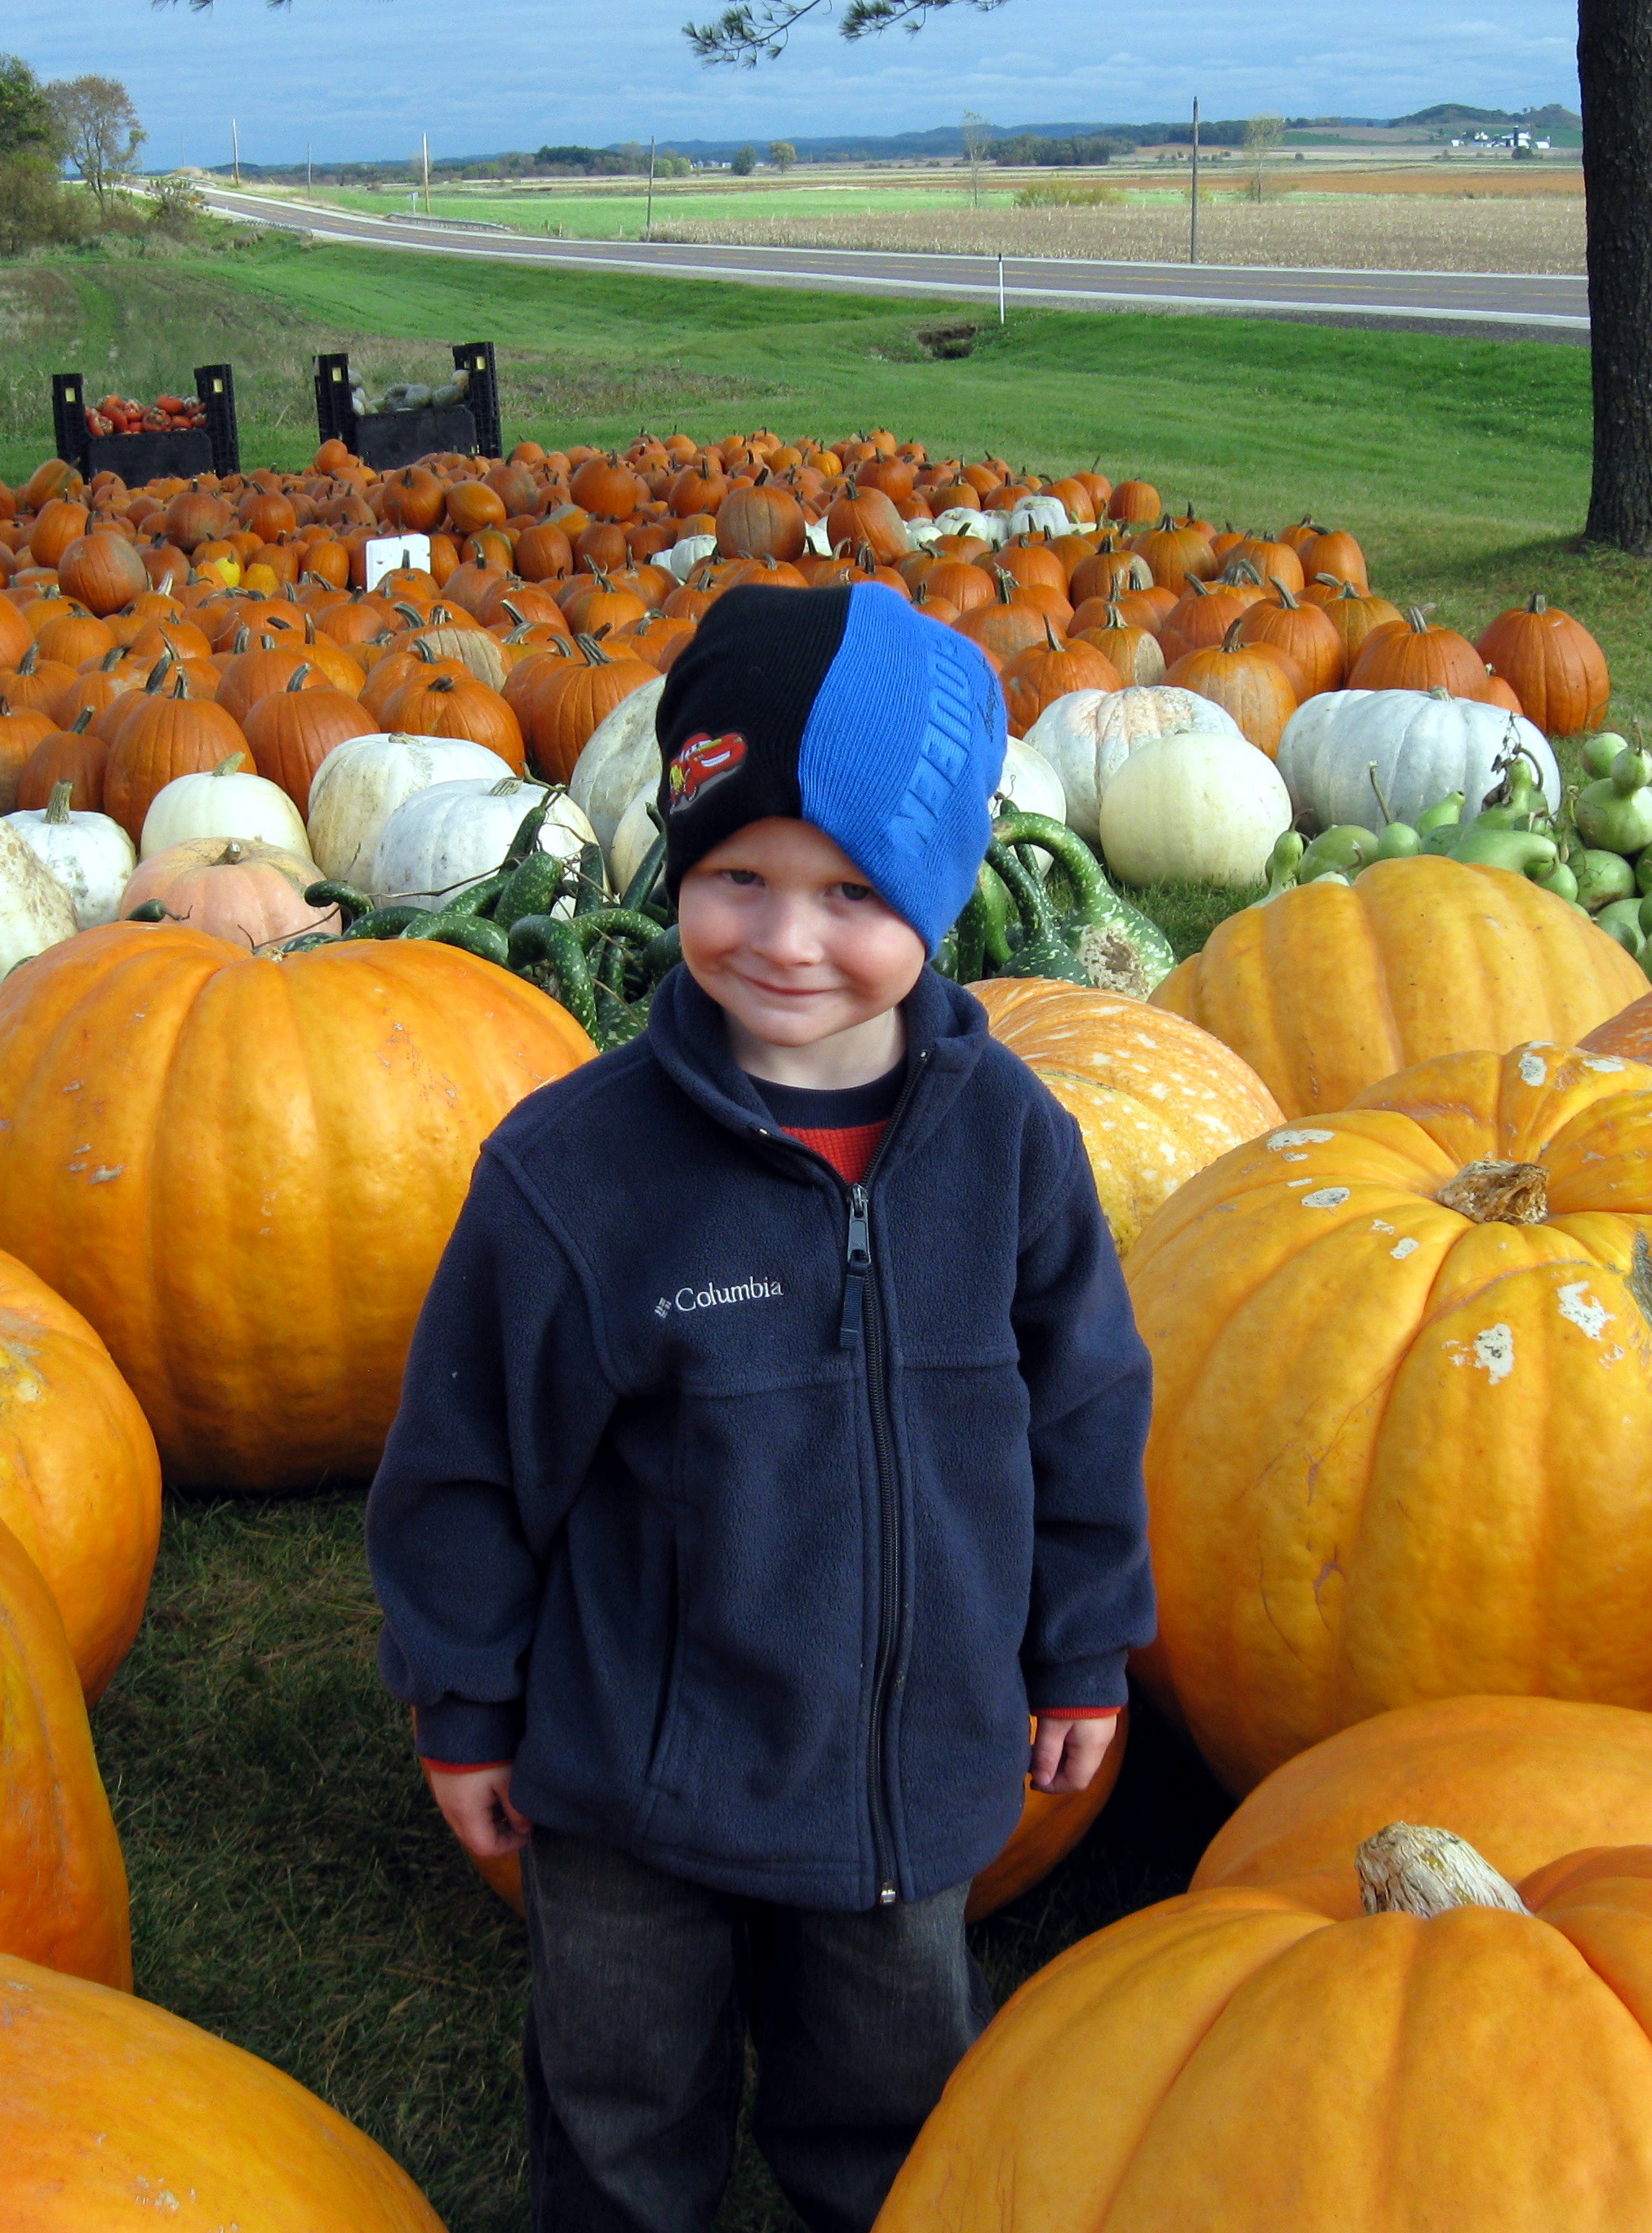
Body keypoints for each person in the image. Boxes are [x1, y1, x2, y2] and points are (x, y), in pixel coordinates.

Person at [366, 580, 1156, 2233]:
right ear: (680, 860)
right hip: (631, 1778)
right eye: (739, 875)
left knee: (886, 2099)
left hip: (904, 1760)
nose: (786, 941)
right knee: (619, 2101)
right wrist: (467, 1702)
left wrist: (1081, 1641)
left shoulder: (1012, 1147)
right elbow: (462, 1461)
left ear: (938, 893)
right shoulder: (572, 1175)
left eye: (852, 890)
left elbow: (1084, 1408)